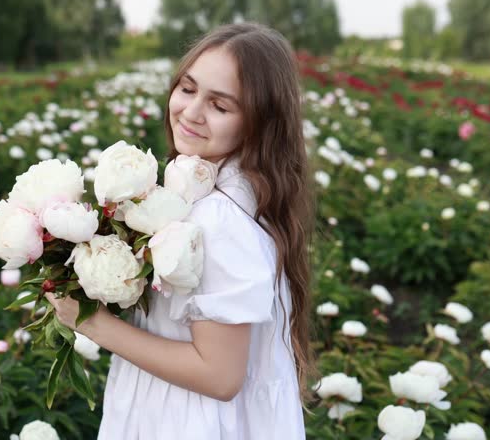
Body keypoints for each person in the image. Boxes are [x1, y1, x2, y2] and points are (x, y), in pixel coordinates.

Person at [45, 22, 317, 440]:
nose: (191, 112)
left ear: (259, 124)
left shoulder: (220, 220)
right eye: (188, 89)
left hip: (193, 421)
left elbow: (220, 375)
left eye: (220, 106)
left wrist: (91, 321)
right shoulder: (221, 193)